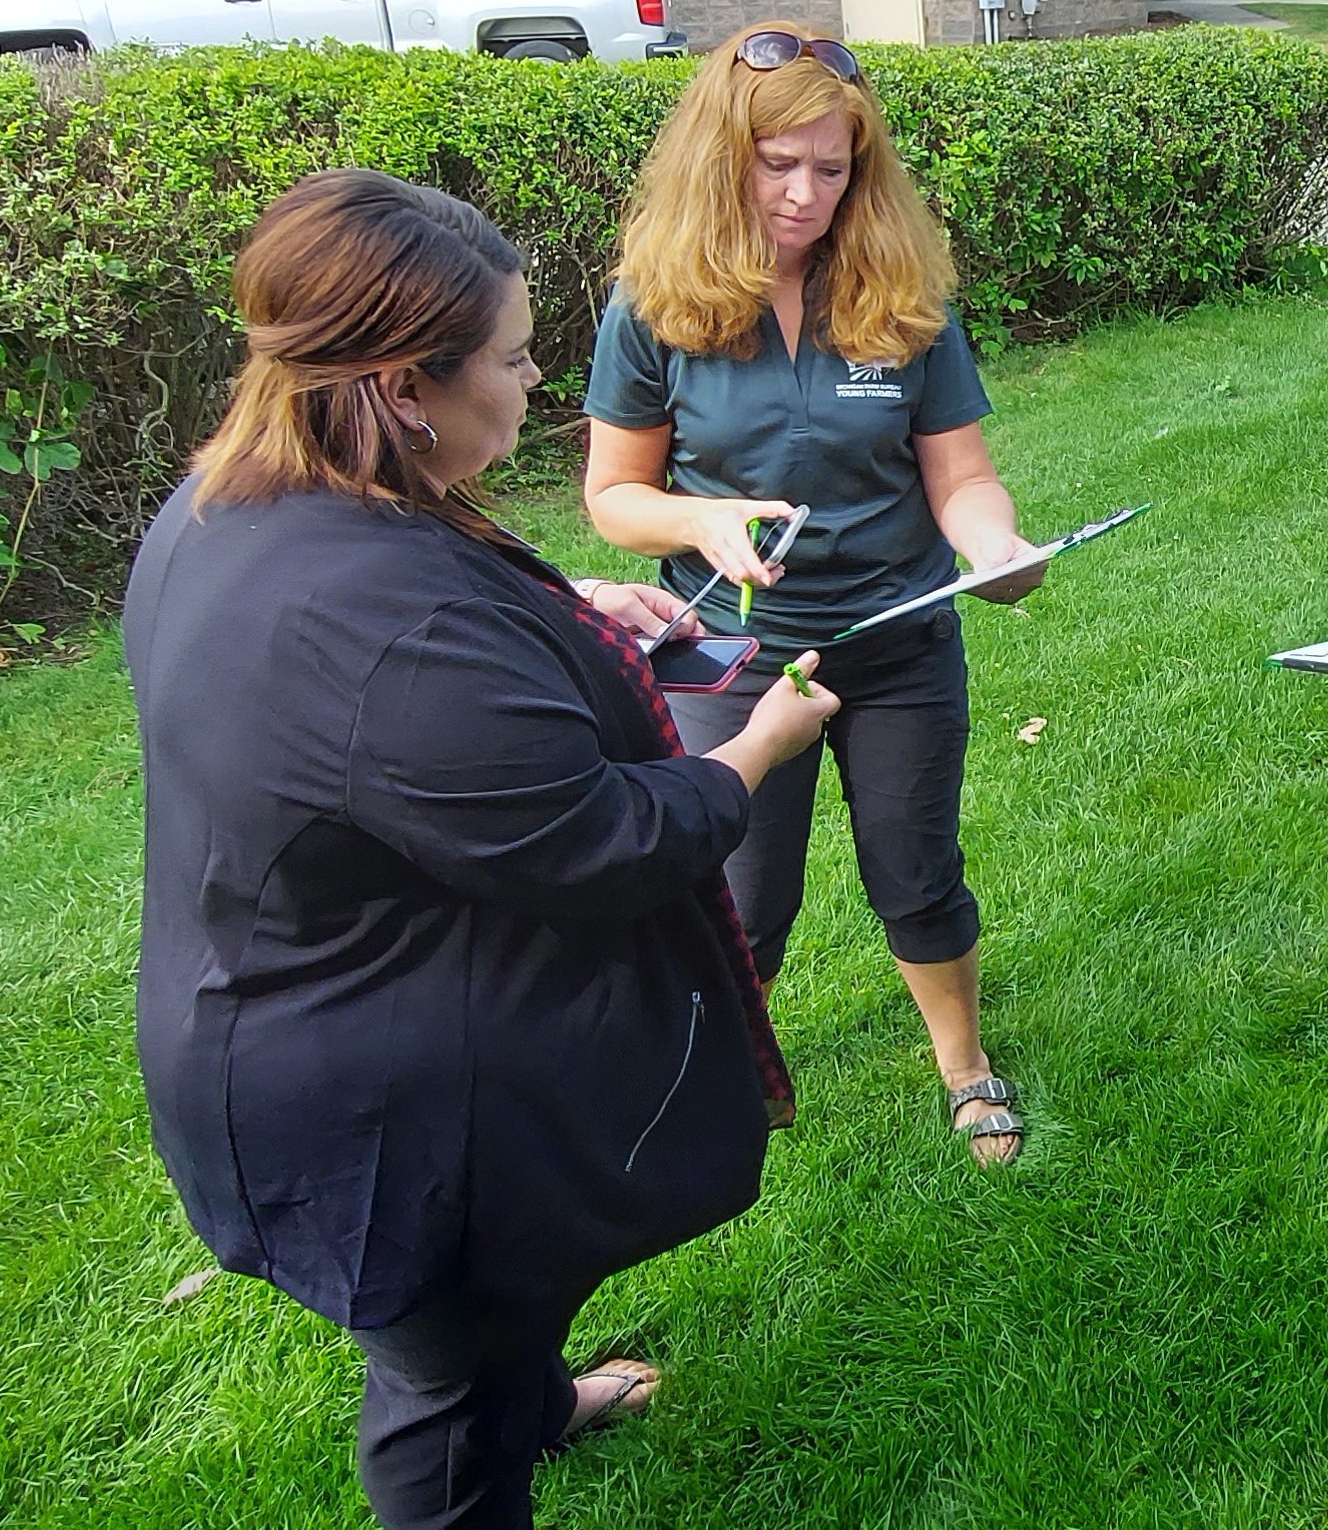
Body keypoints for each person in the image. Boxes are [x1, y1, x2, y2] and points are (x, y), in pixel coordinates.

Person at [124, 169, 840, 1530]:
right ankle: (485, 1424)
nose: (532, 385)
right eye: (513, 360)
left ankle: (532, 1391)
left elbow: (395, 677)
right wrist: (758, 747)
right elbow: (605, 843)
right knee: (441, 1396)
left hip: (307, 1010)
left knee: (485, 1336)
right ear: (403, 384)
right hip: (371, 1106)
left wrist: (569, 608)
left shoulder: (239, 508)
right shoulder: (382, 619)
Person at [583, 23, 1043, 1166]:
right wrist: (700, 521)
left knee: (915, 869)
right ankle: (725, 1073)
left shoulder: (896, 296)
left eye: (830, 169)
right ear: (719, 158)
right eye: (775, 164)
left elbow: (961, 474)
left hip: (894, 640)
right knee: (738, 899)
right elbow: (614, 496)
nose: (803, 194)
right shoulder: (653, 307)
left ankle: (964, 1067)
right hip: (732, 662)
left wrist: (994, 548)